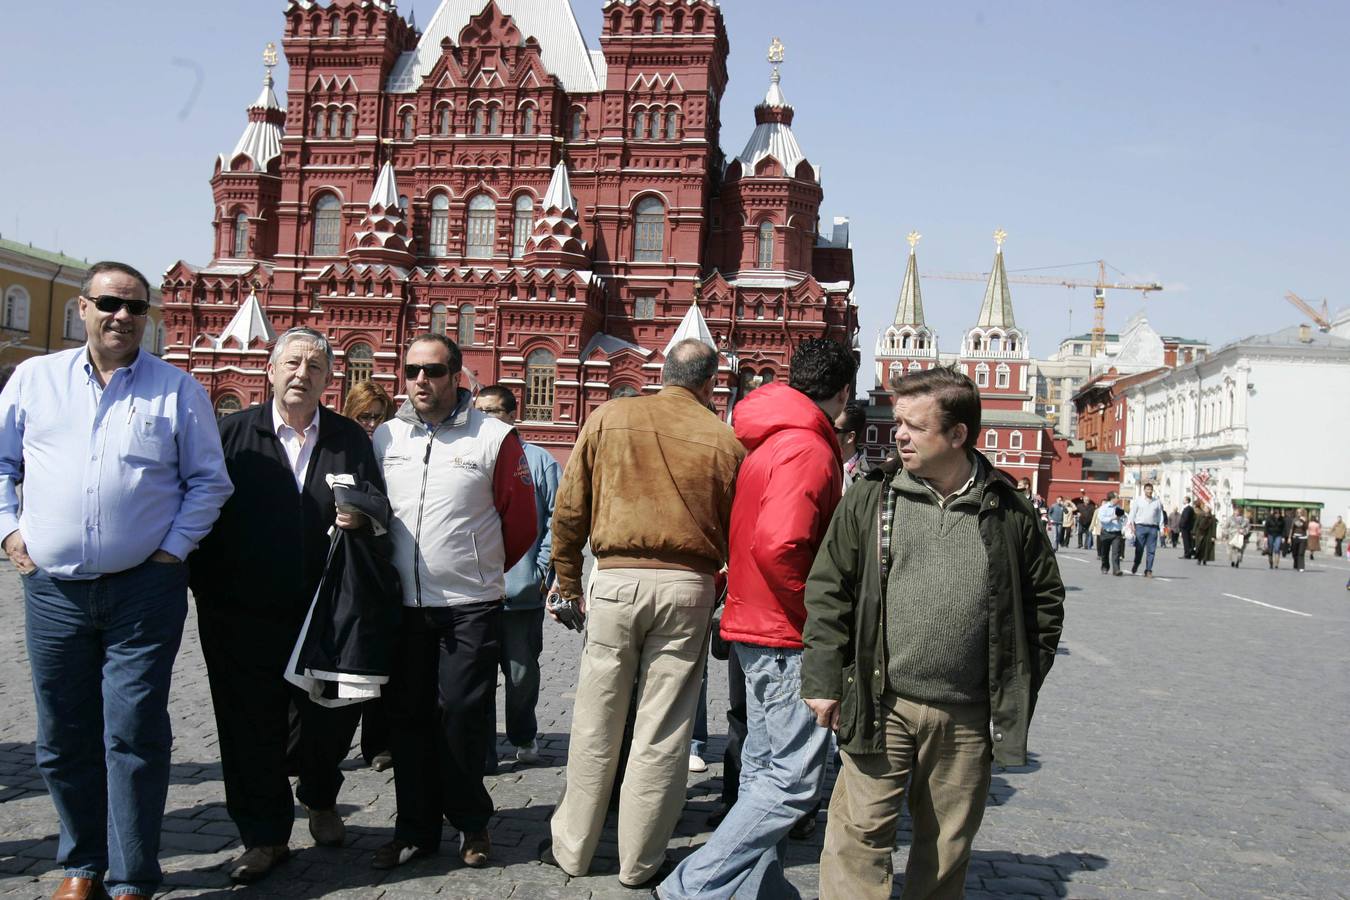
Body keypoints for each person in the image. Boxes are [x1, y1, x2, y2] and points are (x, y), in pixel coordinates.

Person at [0, 262, 233, 900]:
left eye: (135, 307)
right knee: (61, 735)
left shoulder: (176, 388)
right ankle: (82, 866)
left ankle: (131, 877)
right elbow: (2, 462)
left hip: (142, 591)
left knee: (133, 731)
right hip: (52, 591)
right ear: (83, 308)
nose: (122, 317)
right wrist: (9, 531)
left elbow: (209, 481)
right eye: (109, 303)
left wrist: (172, 550)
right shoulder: (33, 379)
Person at [801, 365, 1064, 900]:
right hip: (881, 700)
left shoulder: (1009, 510)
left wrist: (1017, 682)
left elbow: (1045, 603)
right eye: (898, 423)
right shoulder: (873, 498)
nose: (898, 434)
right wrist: (824, 677)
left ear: (957, 435)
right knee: (858, 835)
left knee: (945, 846)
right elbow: (830, 588)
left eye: (915, 426)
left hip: (968, 715)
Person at [658, 338, 856, 900]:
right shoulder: (808, 449)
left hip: (754, 623)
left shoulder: (769, 439)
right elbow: (780, 545)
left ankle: (757, 890)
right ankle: (691, 886)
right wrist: (816, 616)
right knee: (793, 784)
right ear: (843, 391)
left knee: (765, 772)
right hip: (785, 632)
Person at [543, 339, 744, 889]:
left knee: (595, 718)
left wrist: (566, 580)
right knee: (664, 727)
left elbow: (570, 508)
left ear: (662, 373)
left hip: (615, 577)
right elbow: (738, 530)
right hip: (689, 585)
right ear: (709, 383)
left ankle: (573, 849)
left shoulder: (611, 415)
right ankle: (641, 861)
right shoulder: (725, 440)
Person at [191, 327, 386, 882]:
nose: (302, 373)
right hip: (241, 611)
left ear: (329, 380)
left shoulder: (350, 439)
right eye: (293, 363)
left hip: (325, 611)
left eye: (315, 367)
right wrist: (208, 587)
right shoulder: (230, 434)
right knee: (248, 723)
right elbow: (199, 512)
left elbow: (379, 509)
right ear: (271, 372)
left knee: (328, 715)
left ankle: (321, 795)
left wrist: (362, 517)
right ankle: (263, 835)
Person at [371, 335, 536, 870]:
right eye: (413, 370)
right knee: (408, 718)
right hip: (403, 605)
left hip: (468, 602)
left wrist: (480, 568)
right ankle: (414, 828)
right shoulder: (385, 435)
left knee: (463, 715)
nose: (422, 381)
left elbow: (521, 523)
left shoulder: (494, 436)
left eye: (434, 371)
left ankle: (472, 823)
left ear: (457, 376)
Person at [474, 385, 561, 768]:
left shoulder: (538, 460)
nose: (485, 418)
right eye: (479, 411)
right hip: (471, 593)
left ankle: (523, 733)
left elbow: (558, 519)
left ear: (512, 415)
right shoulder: (466, 456)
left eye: (493, 411)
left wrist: (541, 572)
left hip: (520, 593)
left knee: (521, 675)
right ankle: (481, 746)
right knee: (474, 676)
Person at [340, 379, 397, 772]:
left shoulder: (394, 451)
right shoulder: (340, 449)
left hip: (383, 568)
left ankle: (379, 743)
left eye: (379, 416)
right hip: (342, 570)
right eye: (365, 416)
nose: (373, 424)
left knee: (381, 659)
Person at [1128, 482, 1165, 577]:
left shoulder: (1157, 502)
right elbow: (1132, 514)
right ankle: (1136, 563)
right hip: (1140, 527)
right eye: (1148, 489)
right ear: (1144, 490)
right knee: (1139, 549)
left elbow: (1160, 516)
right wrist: (1131, 525)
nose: (1149, 491)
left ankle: (1148, 570)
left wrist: (1161, 529)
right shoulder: (1138, 500)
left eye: (1151, 489)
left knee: (1151, 550)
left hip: (1153, 528)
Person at [835, 402, 870, 491]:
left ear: (850, 437)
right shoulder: (825, 464)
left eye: (834, 430)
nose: (827, 432)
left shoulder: (868, 479)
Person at [1098, 491, 1126, 576]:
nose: (1119, 499)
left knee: (1116, 552)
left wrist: (1121, 519)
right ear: (1112, 498)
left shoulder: (1119, 508)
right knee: (1104, 552)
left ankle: (1116, 570)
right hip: (1106, 532)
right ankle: (1105, 567)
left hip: (1116, 533)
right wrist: (1112, 518)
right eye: (1117, 497)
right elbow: (1101, 518)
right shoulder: (1104, 507)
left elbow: (1123, 519)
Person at [1192, 500, 1216, 565]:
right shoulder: (1200, 516)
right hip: (1199, 534)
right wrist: (1194, 533)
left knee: (1206, 548)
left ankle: (1204, 559)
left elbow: (1214, 528)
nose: (1205, 509)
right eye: (1205, 508)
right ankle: (1199, 559)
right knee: (1199, 547)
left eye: (1206, 508)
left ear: (1209, 509)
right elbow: (1196, 524)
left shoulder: (1212, 518)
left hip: (1208, 534)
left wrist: (1213, 536)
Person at [1289, 508, 1309, 572]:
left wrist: (1304, 521)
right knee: (1295, 553)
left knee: (1301, 553)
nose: (1299, 513)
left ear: (1302, 513)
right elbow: (1292, 529)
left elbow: (1305, 528)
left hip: (1303, 538)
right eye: (1297, 512)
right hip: (1295, 538)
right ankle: (1296, 564)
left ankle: (1301, 567)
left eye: (1300, 512)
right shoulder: (1294, 519)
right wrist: (1289, 537)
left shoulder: (1305, 519)